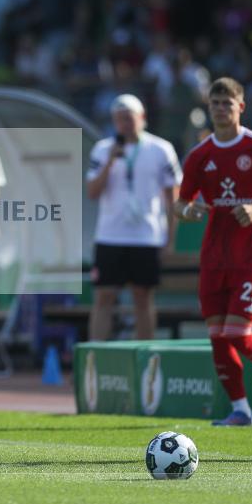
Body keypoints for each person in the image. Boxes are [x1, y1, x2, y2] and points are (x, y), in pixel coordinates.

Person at [175, 77, 252, 426]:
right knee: (217, 337)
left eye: (227, 103)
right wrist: (189, 212)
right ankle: (241, 410)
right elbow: (180, 204)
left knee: (237, 333)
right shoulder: (199, 155)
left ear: (241, 107)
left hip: (251, 256)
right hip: (214, 257)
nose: (220, 109)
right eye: (215, 103)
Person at [86, 94, 182, 341]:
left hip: (146, 236)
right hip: (110, 236)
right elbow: (93, 192)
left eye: (129, 118)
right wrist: (110, 163)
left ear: (142, 117)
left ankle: (145, 353)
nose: (124, 124)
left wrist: (170, 239)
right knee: (104, 296)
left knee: (143, 297)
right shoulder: (103, 149)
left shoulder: (161, 149)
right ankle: (97, 353)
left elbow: (173, 198)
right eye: (119, 119)